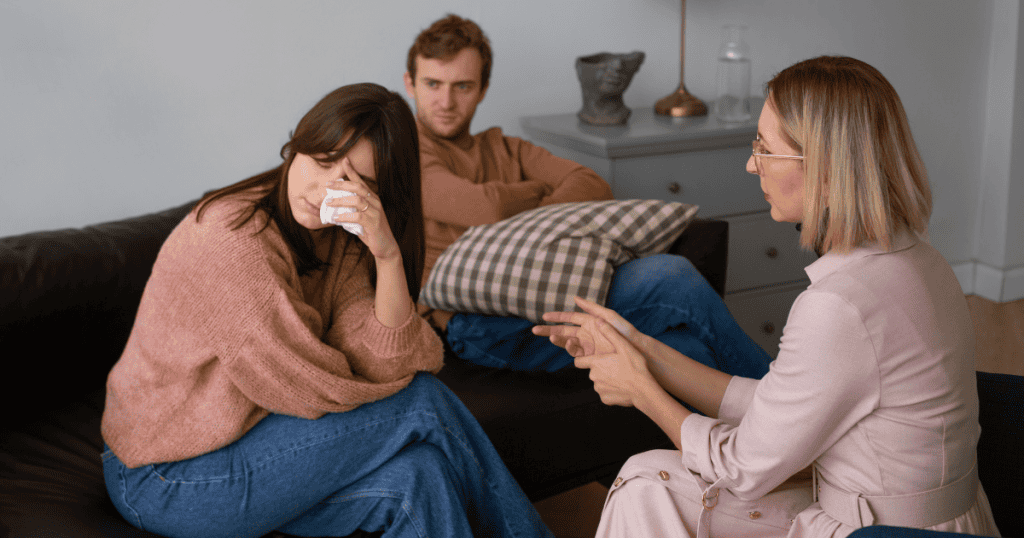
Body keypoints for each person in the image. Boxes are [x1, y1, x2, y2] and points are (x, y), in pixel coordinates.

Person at [534, 56, 1001, 538]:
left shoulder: (840, 304)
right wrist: (641, 348)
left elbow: (742, 469)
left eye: (764, 147)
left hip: (881, 530)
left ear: (824, 166)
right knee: (648, 480)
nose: (751, 163)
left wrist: (642, 392)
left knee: (643, 482)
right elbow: (779, 403)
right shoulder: (920, 260)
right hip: (925, 518)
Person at [100, 83, 554, 538]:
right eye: (321, 162)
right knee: (423, 405)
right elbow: (304, 387)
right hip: (164, 474)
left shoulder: (340, 239)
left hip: (247, 442)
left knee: (421, 474)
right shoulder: (232, 239)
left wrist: (388, 256)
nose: (325, 190)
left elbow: (383, 361)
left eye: (358, 182)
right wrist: (384, 390)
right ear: (297, 145)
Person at [404, 13, 773, 378]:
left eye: (462, 86)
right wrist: (534, 192)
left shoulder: (505, 147)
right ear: (410, 84)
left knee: (687, 350)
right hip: (475, 322)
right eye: (433, 84)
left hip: (550, 289)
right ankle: (778, 400)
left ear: (482, 89)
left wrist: (525, 213)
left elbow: (592, 182)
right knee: (670, 275)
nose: (446, 101)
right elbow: (484, 206)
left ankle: (771, 417)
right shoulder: (402, 152)